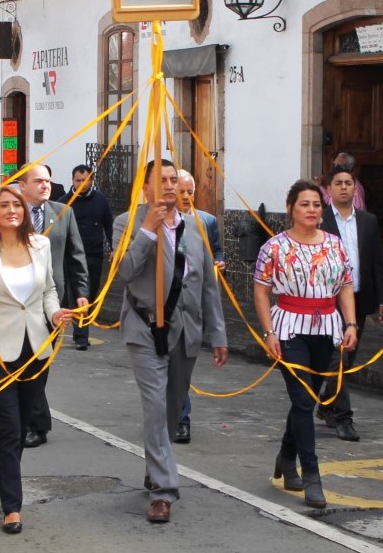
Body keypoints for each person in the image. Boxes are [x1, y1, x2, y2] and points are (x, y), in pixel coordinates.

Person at [114, 159, 228, 523]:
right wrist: (147, 231)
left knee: (172, 405)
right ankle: (164, 491)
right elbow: (125, 272)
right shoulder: (127, 224)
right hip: (144, 328)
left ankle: (154, 464)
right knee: (155, 407)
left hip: (186, 329)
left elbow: (207, 284)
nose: (168, 186)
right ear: (144, 188)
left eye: (172, 179)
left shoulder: (196, 228)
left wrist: (218, 332)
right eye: (160, 180)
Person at [0, 186, 72, 534]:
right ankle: (12, 506)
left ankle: (5, 485)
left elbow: (49, 290)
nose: (11, 210)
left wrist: (54, 315)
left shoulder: (40, 245)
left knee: (22, 426)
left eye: (16, 205)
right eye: (4, 205)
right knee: (9, 429)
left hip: (36, 348)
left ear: (24, 211)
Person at [254, 179, 357, 510]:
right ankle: (311, 475)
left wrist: (350, 323)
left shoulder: (334, 244)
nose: (312, 210)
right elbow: (261, 290)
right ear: (291, 208)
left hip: (326, 327)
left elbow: (344, 285)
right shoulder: (274, 247)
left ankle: (285, 457)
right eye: (305, 204)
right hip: (289, 328)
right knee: (302, 399)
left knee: (307, 401)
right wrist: (269, 332)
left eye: (316, 204)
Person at [316, 165, 383, 442]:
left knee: (349, 357)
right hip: (329, 299)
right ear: (329, 189)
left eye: (349, 182)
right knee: (339, 356)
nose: (344, 187)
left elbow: (376, 262)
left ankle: (326, 402)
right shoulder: (321, 220)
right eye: (338, 183)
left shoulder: (368, 221)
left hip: (359, 295)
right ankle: (343, 418)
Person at [17, 163, 89, 448]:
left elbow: (76, 255)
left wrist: (81, 292)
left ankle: (36, 422)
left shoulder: (64, 212)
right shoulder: (12, 212)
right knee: (21, 363)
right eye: (38, 181)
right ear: (22, 185)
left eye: (48, 180)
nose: (45, 185)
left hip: (51, 303)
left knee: (39, 363)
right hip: (17, 301)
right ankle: (32, 420)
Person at [172, 169, 224, 444]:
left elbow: (216, 250)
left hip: (192, 309)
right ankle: (176, 418)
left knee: (182, 371)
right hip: (164, 312)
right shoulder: (155, 222)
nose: (185, 197)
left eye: (189, 192)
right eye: (180, 191)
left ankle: (179, 417)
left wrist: (218, 262)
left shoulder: (206, 221)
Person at [60, 165, 113, 351]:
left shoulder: (101, 200)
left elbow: (109, 225)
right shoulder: (64, 202)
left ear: (92, 180)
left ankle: (82, 329)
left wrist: (114, 247)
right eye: (78, 180)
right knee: (76, 294)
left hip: (93, 254)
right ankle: (81, 336)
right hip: (71, 257)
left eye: (86, 180)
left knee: (90, 293)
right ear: (72, 181)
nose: (82, 184)